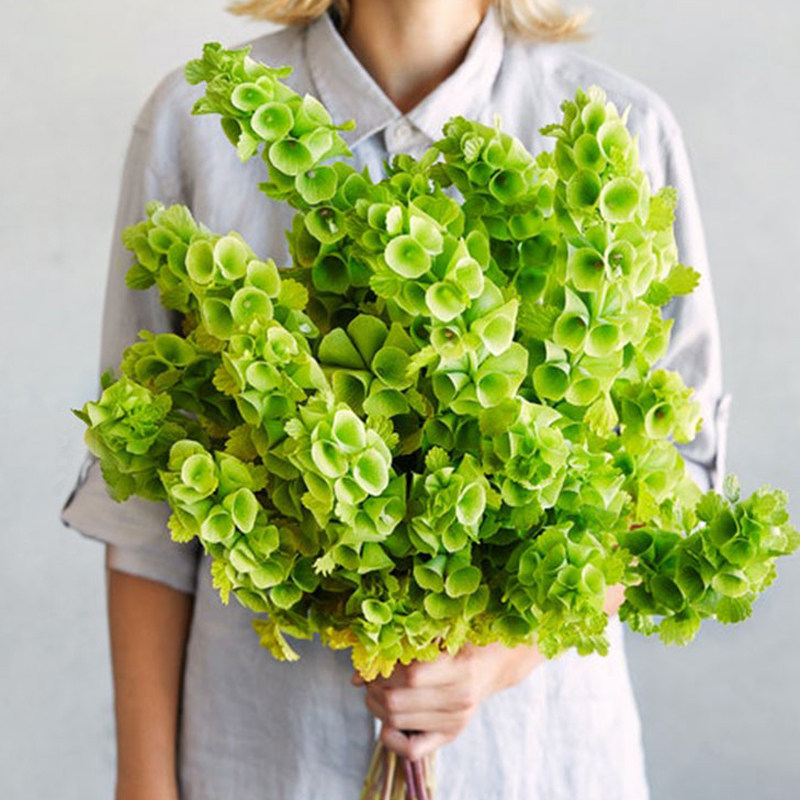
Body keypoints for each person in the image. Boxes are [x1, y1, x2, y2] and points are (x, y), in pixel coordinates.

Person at [61, 1, 730, 798]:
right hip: (267, 757)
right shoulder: (195, 125)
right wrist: (144, 786)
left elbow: (678, 471)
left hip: (535, 762)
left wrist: (502, 657)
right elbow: (142, 512)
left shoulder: (622, 128)